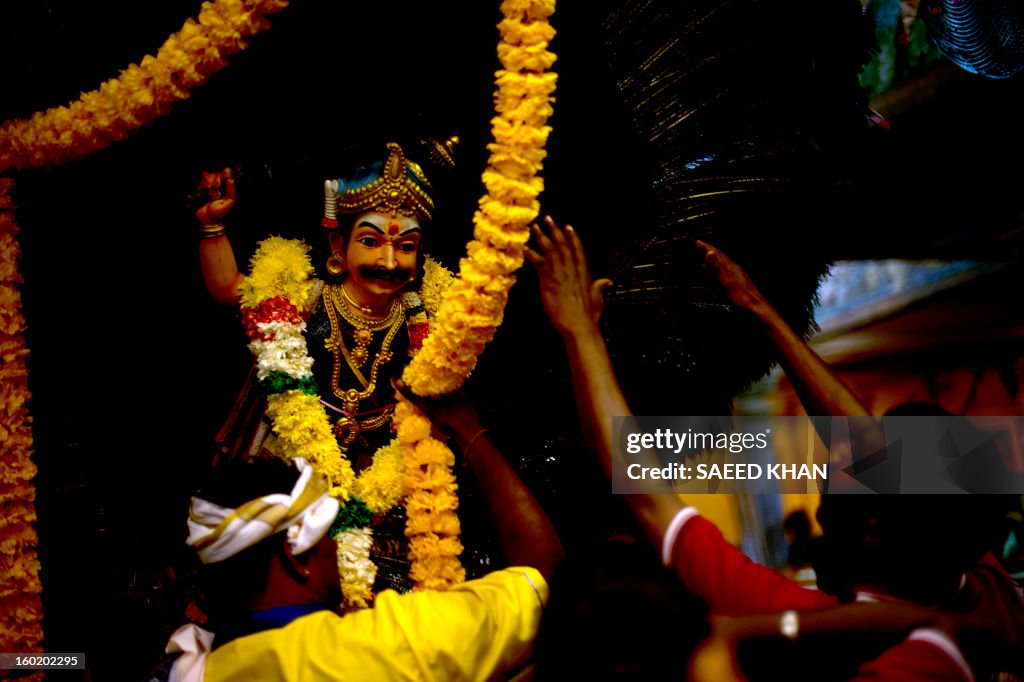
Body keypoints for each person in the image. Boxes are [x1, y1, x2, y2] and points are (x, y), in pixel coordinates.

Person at [525, 217, 1024, 680]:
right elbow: (880, 460)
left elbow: (642, 486)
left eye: (843, 476)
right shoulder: (982, 582)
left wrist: (579, 330)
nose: (837, 452)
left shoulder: (884, 651)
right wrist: (761, 312)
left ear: (875, 527)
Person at [153, 381, 563, 682]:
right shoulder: (388, 645)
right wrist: (469, 430)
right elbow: (546, 577)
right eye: (329, 533)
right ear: (296, 558)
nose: (336, 546)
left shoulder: (200, 668)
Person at [192, 141, 456, 596]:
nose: (389, 262)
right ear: (338, 243)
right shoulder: (309, 296)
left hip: (382, 481)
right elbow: (229, 290)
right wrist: (213, 225)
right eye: (371, 242)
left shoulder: (426, 317)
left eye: (406, 246)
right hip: (290, 466)